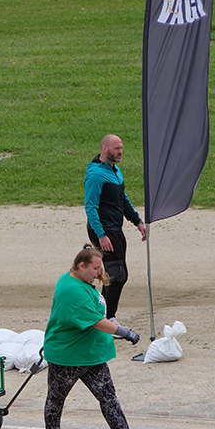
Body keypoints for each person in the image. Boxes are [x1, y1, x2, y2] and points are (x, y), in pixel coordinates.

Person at [42, 244, 152, 429]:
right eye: (95, 268)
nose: (98, 273)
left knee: (108, 396)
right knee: (56, 399)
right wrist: (124, 332)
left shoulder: (80, 281)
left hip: (89, 355)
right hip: (67, 357)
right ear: (81, 266)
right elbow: (96, 321)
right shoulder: (72, 290)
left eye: (99, 268)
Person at [84, 134, 148, 320]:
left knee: (118, 275)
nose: (120, 152)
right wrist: (101, 235)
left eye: (121, 148)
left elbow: (123, 199)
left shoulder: (115, 171)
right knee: (116, 275)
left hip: (115, 229)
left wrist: (137, 221)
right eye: (116, 148)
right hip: (103, 230)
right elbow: (91, 207)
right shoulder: (96, 174)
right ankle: (106, 318)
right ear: (105, 149)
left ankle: (104, 316)